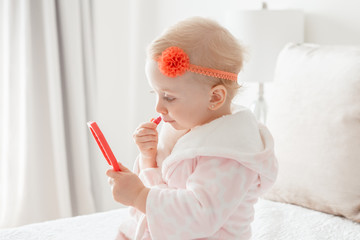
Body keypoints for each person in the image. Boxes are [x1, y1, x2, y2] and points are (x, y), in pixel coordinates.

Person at [106, 16, 278, 240]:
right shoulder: (184, 129)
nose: (158, 107)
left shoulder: (229, 154)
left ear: (215, 97)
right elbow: (165, 188)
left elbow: (199, 215)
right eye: (155, 94)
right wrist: (149, 158)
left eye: (168, 97)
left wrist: (139, 195)